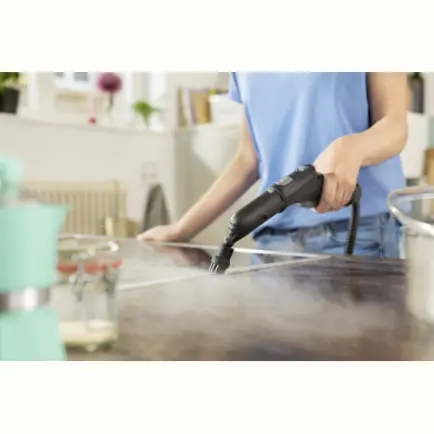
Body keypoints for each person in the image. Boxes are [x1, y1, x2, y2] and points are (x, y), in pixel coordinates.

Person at [138, 72, 408, 258]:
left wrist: (351, 149)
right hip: (271, 241)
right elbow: (248, 159)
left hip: (356, 233)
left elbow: (395, 126)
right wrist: (181, 230)